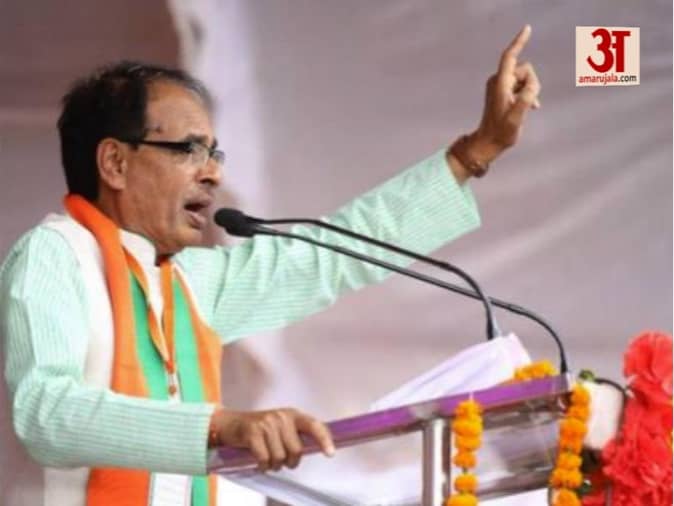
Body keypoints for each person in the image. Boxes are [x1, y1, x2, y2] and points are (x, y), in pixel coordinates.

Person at [0, 25, 540, 506]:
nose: (212, 173)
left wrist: (476, 152)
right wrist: (220, 426)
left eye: (214, 153)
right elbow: (47, 414)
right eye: (188, 149)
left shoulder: (187, 282)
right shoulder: (55, 255)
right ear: (115, 162)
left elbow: (328, 257)